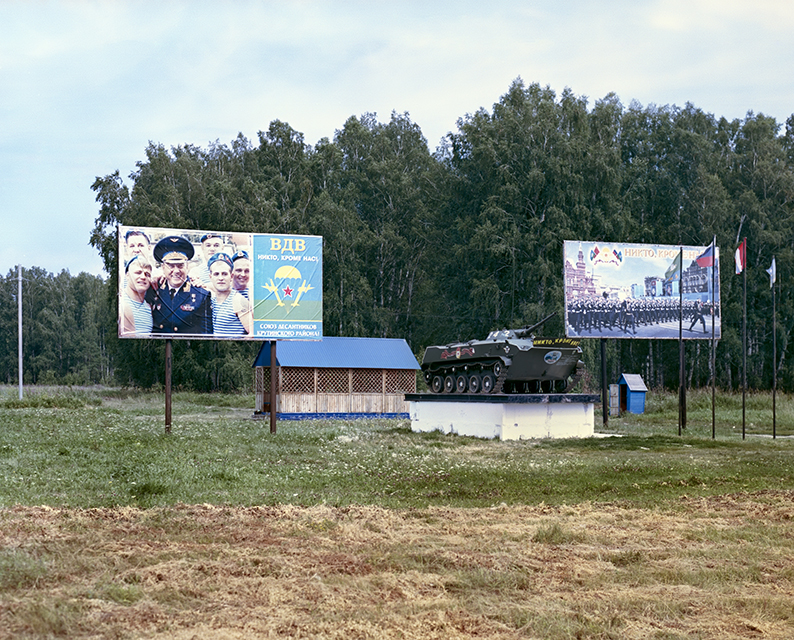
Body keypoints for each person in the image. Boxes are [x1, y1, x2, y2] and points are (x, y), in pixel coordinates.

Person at [145, 235, 213, 335]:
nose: (176, 271)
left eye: (180, 265)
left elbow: (206, 334)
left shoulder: (201, 295)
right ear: (163, 267)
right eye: (171, 266)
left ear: (187, 267)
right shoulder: (153, 290)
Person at [208, 253, 252, 336]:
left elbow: (252, 334)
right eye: (216, 274)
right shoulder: (211, 299)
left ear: (231, 276)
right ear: (210, 277)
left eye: (224, 274)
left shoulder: (238, 300)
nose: (220, 278)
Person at [120, 256, 153, 335]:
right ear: (127, 276)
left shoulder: (150, 309)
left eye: (147, 274)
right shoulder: (119, 302)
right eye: (138, 273)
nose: (143, 277)